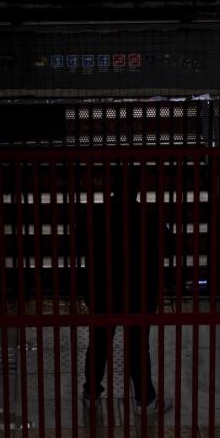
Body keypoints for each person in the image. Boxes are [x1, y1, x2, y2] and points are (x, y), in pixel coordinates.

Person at [82, 166, 173, 416]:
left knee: (99, 343)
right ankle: (145, 399)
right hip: (137, 295)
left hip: (103, 292)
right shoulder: (149, 217)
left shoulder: (95, 215)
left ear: (111, 187)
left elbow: (79, 245)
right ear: (137, 190)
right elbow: (170, 249)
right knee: (137, 347)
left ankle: (91, 392)